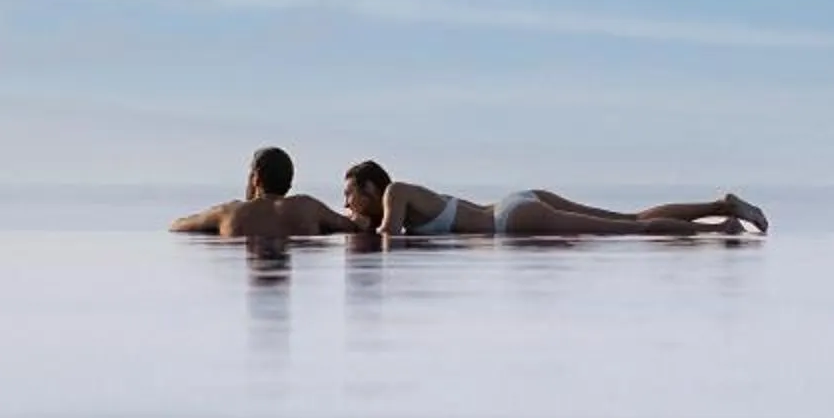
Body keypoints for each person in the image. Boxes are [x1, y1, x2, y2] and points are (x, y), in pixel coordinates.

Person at [341, 160, 767, 240]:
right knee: (631, 219)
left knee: (630, 231)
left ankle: (718, 232)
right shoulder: (404, 197)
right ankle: (722, 208)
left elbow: (387, 237)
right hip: (514, 205)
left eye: (349, 194)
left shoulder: (395, 194)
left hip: (510, 221)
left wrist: (350, 229)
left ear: (371, 188)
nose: (346, 202)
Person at [169, 146, 366, 240]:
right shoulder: (308, 207)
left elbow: (177, 226)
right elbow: (355, 226)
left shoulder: (229, 212)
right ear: (290, 181)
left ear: (256, 178)